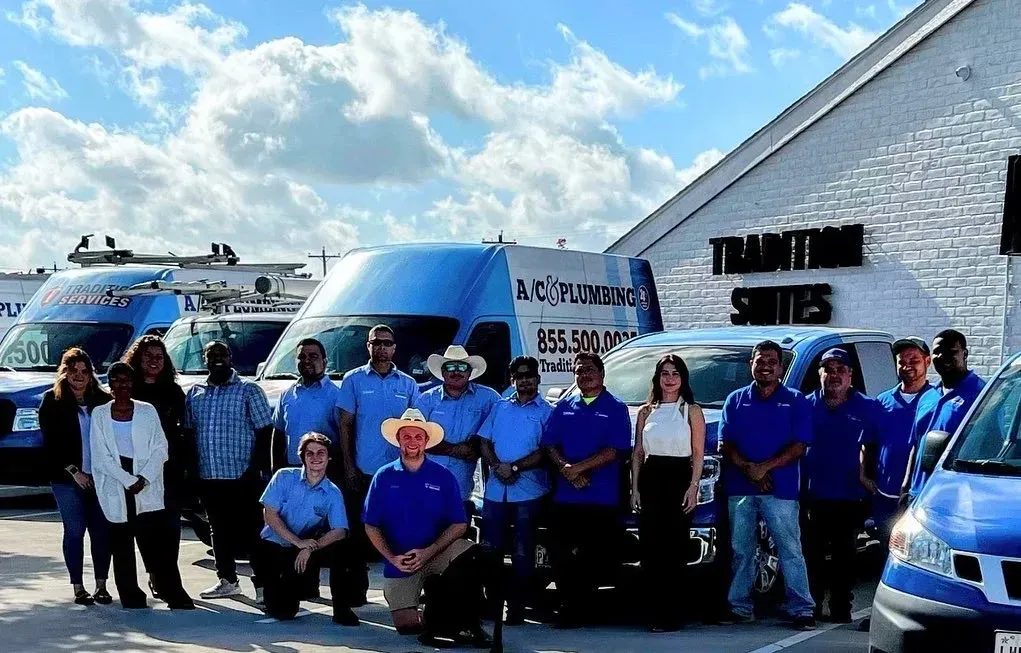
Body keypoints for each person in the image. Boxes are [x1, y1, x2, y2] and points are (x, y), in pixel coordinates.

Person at [363, 408, 491, 647]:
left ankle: (470, 622)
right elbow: (371, 525)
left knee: (473, 554)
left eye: (418, 437)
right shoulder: (383, 476)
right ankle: (436, 610)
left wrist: (429, 552)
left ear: (426, 441)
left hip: (436, 553)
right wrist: (392, 558)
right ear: (399, 440)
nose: (413, 442)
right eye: (407, 436)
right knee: (407, 628)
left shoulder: (443, 476)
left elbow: (459, 524)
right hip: (402, 560)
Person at [719, 340, 816, 630]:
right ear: (751, 364)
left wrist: (765, 467)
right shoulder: (735, 399)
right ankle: (739, 606)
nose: (765, 366)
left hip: (781, 489)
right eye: (760, 360)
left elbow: (800, 445)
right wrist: (750, 468)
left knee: (790, 549)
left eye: (772, 361)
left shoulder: (796, 400)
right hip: (741, 486)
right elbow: (726, 443)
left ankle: (801, 608)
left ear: (781, 367)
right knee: (741, 550)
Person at [90, 362, 194, 610]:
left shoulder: (147, 411)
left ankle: (172, 592)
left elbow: (161, 448)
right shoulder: (100, 414)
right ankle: (131, 596)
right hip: (116, 483)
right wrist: (127, 480)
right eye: (117, 380)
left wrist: (143, 478)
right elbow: (101, 456)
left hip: (147, 482)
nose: (122, 385)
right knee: (122, 545)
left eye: (127, 380)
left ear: (133, 383)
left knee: (157, 545)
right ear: (110, 384)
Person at [541, 352, 632, 629]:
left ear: (602, 374)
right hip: (566, 496)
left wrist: (578, 468)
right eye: (579, 371)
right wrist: (565, 467)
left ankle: (588, 608)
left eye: (590, 370)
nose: (584, 375)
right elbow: (549, 443)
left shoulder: (615, 407)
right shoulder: (564, 406)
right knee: (560, 553)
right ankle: (568, 605)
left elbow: (615, 450)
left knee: (594, 556)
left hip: (600, 497)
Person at [184, 340, 274, 602]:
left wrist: (256, 469)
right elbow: (190, 432)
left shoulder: (248, 390)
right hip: (210, 475)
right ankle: (227, 580)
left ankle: (262, 586)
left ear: (231, 357)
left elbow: (264, 431)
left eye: (222, 354)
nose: (217, 358)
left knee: (252, 531)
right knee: (218, 530)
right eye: (211, 355)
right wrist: (193, 472)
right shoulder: (195, 393)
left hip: (242, 475)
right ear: (204, 360)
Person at [337, 324, 419, 604]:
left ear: (394, 348)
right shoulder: (353, 380)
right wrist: (348, 467)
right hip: (363, 470)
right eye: (376, 343)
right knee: (360, 536)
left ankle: (403, 595)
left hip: (398, 472)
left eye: (387, 343)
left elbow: (416, 428)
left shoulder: (407, 384)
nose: (381, 348)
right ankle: (357, 594)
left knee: (402, 533)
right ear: (367, 346)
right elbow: (345, 426)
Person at [801, 349, 880, 624]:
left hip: (849, 495)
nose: (834, 375)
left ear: (850, 376)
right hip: (812, 494)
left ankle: (840, 608)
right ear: (819, 374)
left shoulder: (867, 407)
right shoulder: (805, 405)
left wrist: (867, 479)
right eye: (828, 369)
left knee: (844, 556)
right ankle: (811, 606)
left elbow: (874, 447)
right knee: (812, 555)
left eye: (840, 370)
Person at [631, 354, 706, 632]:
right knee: (651, 549)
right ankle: (652, 611)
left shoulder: (692, 411)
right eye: (665, 373)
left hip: (678, 479)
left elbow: (698, 454)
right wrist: (635, 488)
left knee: (673, 549)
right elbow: (638, 452)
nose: (670, 378)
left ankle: (672, 614)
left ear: (683, 378)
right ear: (657, 377)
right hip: (651, 479)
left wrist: (693, 486)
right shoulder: (646, 411)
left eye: (675, 373)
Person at [477, 356, 553, 625]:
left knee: (523, 552)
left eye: (529, 375)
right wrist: (497, 466)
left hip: (529, 493)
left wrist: (516, 468)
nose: (525, 380)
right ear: (513, 380)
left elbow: (546, 452)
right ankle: (493, 603)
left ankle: (518, 607)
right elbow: (484, 441)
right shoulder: (499, 408)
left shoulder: (547, 412)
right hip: (496, 493)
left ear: (537, 378)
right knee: (491, 550)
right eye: (519, 376)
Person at [258, 432, 360, 626]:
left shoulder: (332, 492)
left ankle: (341, 609)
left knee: (344, 549)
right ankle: (288, 588)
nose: (315, 458)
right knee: (283, 612)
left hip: (305, 549)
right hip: (274, 548)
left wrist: (309, 547)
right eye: (310, 453)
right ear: (302, 457)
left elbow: (340, 530)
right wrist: (298, 542)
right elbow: (269, 514)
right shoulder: (283, 477)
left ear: (329, 457)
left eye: (321, 453)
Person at [38, 348, 113, 606]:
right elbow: (51, 446)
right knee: (74, 531)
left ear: (91, 374)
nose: (79, 376)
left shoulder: (103, 400)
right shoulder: (52, 401)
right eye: (73, 370)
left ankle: (102, 585)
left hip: (101, 478)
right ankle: (79, 587)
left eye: (84, 371)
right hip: (67, 478)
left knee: (101, 532)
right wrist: (75, 472)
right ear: (64, 372)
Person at [121, 335, 189, 600]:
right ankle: (155, 575)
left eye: (159, 357)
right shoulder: (128, 391)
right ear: (138, 359)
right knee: (145, 528)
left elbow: (184, 431)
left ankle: (168, 579)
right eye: (148, 356)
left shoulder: (173, 391)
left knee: (170, 528)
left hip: (168, 469)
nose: (153, 361)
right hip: (137, 469)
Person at [902, 329, 986, 504]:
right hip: (917, 495)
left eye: (951, 352)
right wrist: (906, 487)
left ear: (965, 354)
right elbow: (916, 445)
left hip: (952, 500)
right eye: (938, 352)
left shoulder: (982, 396)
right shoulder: (927, 395)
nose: (943, 356)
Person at [418, 345, 500, 516]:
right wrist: (454, 450)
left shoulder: (489, 397)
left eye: (462, 367)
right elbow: (415, 440)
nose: (456, 372)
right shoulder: (426, 400)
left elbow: (501, 426)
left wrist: (476, 445)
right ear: (443, 372)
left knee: (459, 538)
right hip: (428, 486)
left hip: (463, 490)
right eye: (450, 367)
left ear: (470, 372)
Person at [870, 338, 937, 544]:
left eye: (914, 360)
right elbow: (869, 442)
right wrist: (864, 476)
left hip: (919, 496)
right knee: (882, 551)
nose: (907, 366)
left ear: (927, 362)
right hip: (884, 495)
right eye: (902, 361)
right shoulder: (883, 400)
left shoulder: (937, 400)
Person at [270, 338, 343, 472]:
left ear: (325, 361)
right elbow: (279, 434)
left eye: (313, 356)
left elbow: (345, 437)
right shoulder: (287, 394)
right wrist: (275, 469)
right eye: (302, 357)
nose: (307, 360)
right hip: (292, 470)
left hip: (325, 471)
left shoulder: (337, 395)